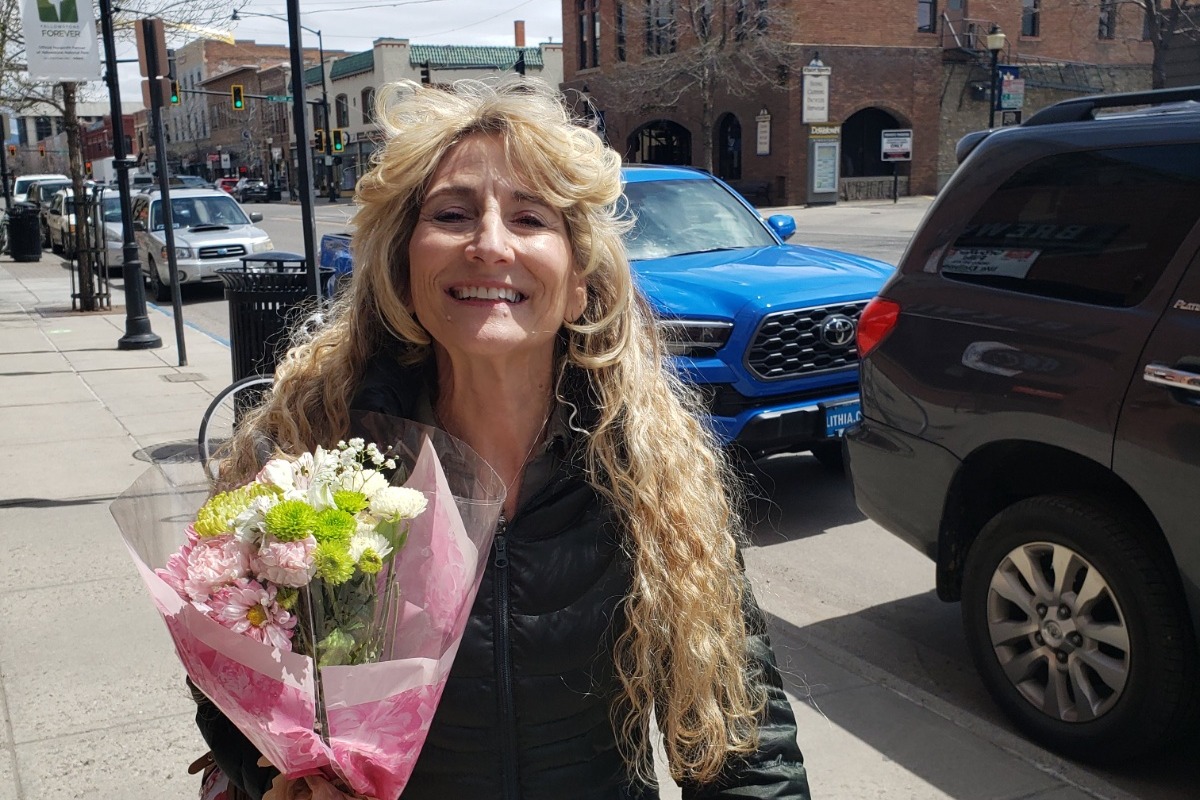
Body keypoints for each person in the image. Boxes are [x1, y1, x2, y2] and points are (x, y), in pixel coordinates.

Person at [202, 77, 810, 800]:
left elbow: (743, 749)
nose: (490, 244)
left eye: (530, 218)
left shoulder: (653, 474)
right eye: (452, 214)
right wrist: (285, 778)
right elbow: (228, 690)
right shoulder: (307, 457)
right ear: (403, 269)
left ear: (579, 281)